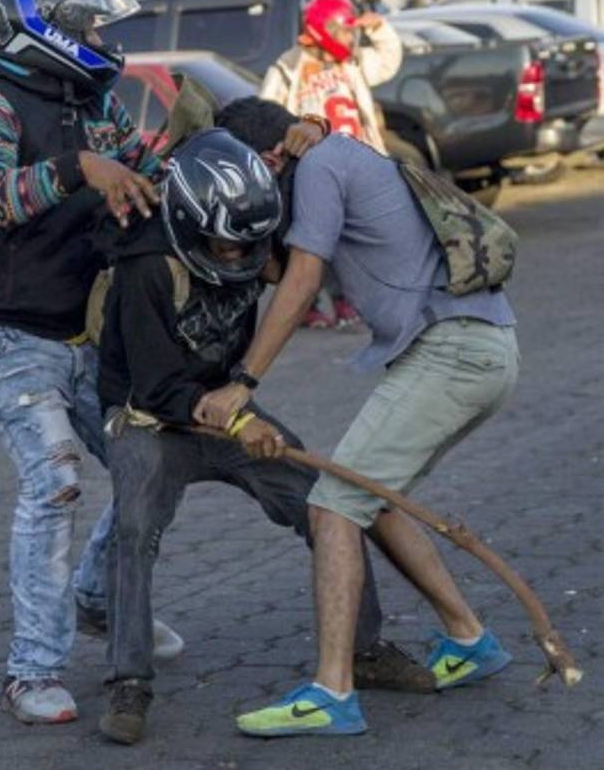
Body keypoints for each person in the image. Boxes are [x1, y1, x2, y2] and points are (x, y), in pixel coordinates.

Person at [94, 128, 433, 745]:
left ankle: (363, 649)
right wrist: (243, 421)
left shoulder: (250, 222)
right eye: (223, 246)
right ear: (192, 223)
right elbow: (155, 385)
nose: (237, 258)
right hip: (152, 417)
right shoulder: (146, 266)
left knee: (327, 505)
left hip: (229, 408)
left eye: (246, 245)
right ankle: (129, 680)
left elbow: (278, 147)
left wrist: (309, 130)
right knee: (134, 531)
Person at [196, 97, 520, 738]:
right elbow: (282, 265)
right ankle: (468, 640)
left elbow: (302, 279)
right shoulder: (330, 158)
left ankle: (333, 693)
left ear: (264, 160)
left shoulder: (317, 170)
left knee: (333, 505)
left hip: (451, 350)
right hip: (479, 346)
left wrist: (242, 384)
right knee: (373, 493)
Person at [0, 0, 185, 726]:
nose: (100, 39)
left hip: (82, 330)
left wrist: (202, 147)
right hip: (4, 335)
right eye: (88, 26)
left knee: (150, 462)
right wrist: (75, 168)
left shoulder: (88, 99)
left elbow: (137, 170)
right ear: (47, 28)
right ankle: (31, 672)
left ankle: (95, 598)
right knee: (55, 481)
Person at [261, 0, 402, 330]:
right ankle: (308, 305)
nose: (348, 38)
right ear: (322, 28)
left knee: (352, 237)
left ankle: (349, 299)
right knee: (313, 241)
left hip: (356, 162)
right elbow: (267, 112)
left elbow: (387, 60)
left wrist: (380, 29)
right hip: (311, 169)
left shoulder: (349, 63)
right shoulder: (288, 67)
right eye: (342, 30)